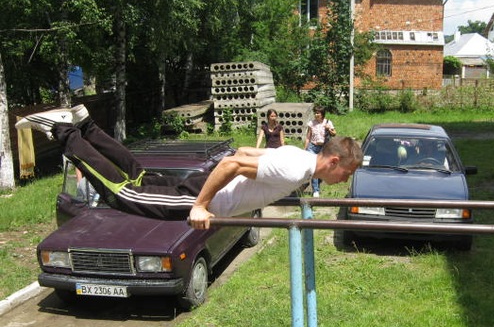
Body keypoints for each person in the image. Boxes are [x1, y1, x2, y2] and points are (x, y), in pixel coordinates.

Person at [15, 105, 362, 230]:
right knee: (123, 195)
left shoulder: (297, 159)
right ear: (334, 161)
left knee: (138, 175)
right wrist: (200, 206)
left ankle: (87, 126)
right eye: (345, 173)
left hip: (202, 186)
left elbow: (245, 152)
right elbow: (233, 162)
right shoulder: (296, 169)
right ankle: (64, 131)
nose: (343, 180)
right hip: (201, 197)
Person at [304, 105, 336, 197]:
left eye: (318, 113)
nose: (316, 114)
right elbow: (308, 137)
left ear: (322, 114)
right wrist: (305, 149)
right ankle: (315, 190)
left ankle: (318, 181)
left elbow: (334, 133)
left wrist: (329, 129)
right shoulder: (311, 123)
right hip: (312, 147)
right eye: (315, 113)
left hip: (324, 148)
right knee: (315, 168)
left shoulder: (328, 122)